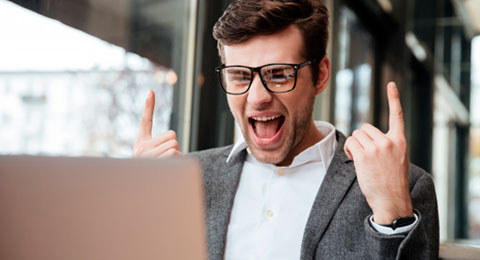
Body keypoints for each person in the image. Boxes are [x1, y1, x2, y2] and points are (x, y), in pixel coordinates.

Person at [133, 0, 439, 259]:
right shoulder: (188, 180)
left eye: (278, 74)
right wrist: (139, 207)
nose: (257, 97)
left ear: (320, 75)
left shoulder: (404, 186)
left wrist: (393, 213)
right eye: (239, 76)